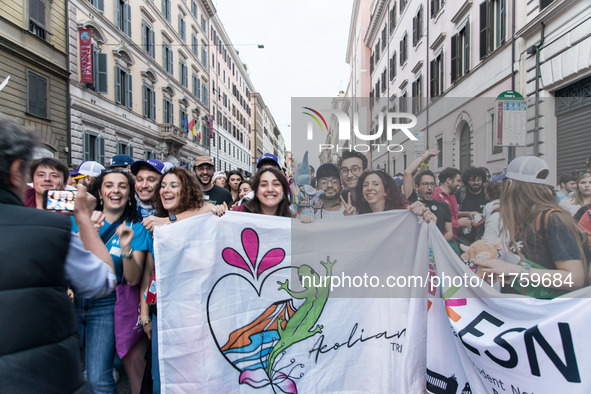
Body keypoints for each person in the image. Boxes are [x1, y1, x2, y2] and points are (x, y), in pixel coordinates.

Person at [0, 117, 116, 392]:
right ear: (18, 171)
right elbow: (103, 280)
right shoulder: (49, 229)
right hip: (40, 379)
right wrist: (83, 217)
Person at [140, 167, 225, 393]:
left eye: (174, 185)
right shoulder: (154, 225)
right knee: (163, 374)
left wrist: (172, 220)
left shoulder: (203, 220)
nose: (166, 190)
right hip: (162, 310)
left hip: (193, 311)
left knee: (193, 372)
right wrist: (145, 313)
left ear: (186, 191)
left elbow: (208, 208)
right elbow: (149, 272)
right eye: (163, 186)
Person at [75, 169, 150, 393]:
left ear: (129, 194)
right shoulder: (79, 220)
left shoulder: (137, 228)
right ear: (100, 191)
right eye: (109, 185)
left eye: (122, 186)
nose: (115, 191)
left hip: (107, 304)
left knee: (99, 378)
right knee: (68, 373)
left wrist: (126, 247)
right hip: (73, 300)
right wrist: (86, 234)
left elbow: (135, 278)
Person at [474, 156, 588, 294]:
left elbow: (574, 278)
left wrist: (514, 270)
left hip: (545, 311)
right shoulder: (524, 217)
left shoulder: (553, 219)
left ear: (509, 184)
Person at [351, 171, 436, 223]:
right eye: (365, 185)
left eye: (376, 184)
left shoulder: (404, 211)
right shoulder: (361, 217)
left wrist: (425, 215)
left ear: (386, 191)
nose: (369, 188)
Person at [414, 170, 453, 241]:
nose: (429, 187)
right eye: (425, 184)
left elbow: (449, 232)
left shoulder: (444, 206)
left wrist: (438, 243)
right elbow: (407, 174)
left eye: (432, 184)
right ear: (417, 187)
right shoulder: (413, 206)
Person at [433, 167, 469, 238]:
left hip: (454, 237)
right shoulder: (435, 195)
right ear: (449, 180)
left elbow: (452, 215)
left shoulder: (453, 195)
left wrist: (464, 223)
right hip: (442, 239)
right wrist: (458, 223)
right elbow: (438, 221)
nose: (460, 184)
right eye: (458, 181)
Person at [456, 167, 489, 243]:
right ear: (467, 181)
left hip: (483, 239)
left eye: (479, 180)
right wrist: (467, 214)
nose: (476, 183)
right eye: (472, 180)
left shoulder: (487, 195)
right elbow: (452, 212)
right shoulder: (460, 194)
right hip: (463, 238)